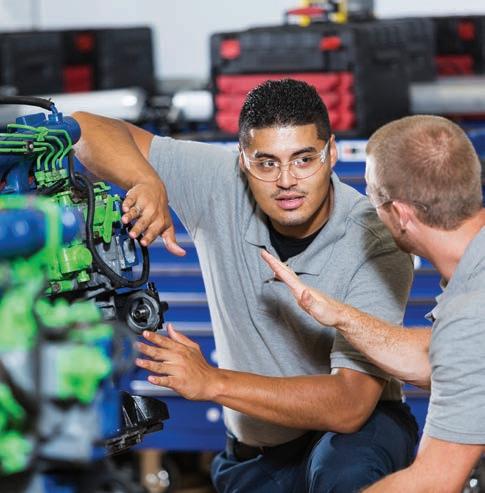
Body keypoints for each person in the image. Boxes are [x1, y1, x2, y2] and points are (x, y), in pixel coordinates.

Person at [73, 79, 418, 493]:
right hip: (257, 451)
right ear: (242, 160)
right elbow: (82, 128)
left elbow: (350, 405)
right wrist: (144, 179)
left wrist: (212, 381)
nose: (286, 180)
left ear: (332, 153)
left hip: (355, 438)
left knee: (344, 472)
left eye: (304, 159)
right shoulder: (220, 183)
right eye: (266, 163)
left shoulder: (374, 241)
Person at [262, 114, 485, 492]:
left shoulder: (470, 314)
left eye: (373, 197)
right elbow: (445, 359)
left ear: (401, 214)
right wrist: (340, 316)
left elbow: (433, 483)